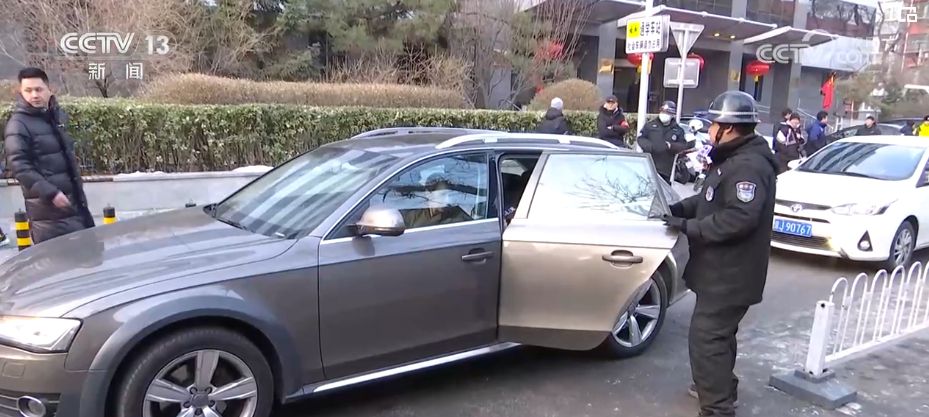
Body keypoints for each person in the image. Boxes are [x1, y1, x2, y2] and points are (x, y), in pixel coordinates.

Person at [661, 90, 778, 417]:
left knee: (707, 340)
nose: (710, 129)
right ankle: (720, 387)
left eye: (714, 123)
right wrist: (678, 210)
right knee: (719, 337)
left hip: (731, 275)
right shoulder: (731, 159)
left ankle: (717, 408)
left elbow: (739, 218)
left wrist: (690, 227)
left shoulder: (748, 166)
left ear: (728, 127)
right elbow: (709, 199)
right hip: (721, 272)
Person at [4, 67, 95, 244]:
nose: (34, 95)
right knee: (61, 258)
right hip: (48, 213)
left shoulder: (54, 117)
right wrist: (51, 193)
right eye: (28, 90)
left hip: (74, 205)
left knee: (88, 255)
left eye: (38, 89)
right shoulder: (18, 125)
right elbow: (19, 166)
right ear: (21, 92)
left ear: (49, 89)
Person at [637, 101, 691, 183]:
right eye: (663, 112)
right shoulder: (650, 126)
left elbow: (683, 145)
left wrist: (670, 146)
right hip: (649, 165)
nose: (664, 114)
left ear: (672, 114)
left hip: (666, 168)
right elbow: (641, 138)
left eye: (667, 113)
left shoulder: (678, 130)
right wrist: (650, 146)